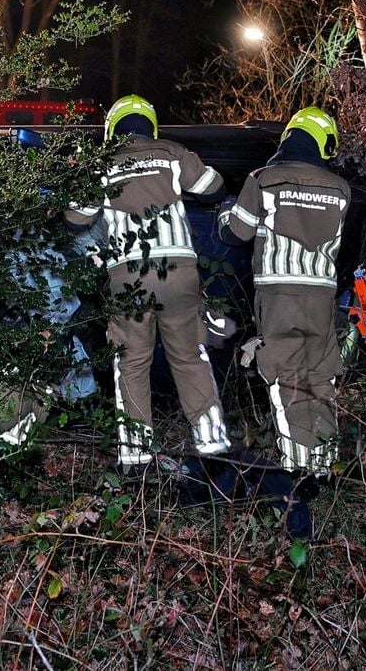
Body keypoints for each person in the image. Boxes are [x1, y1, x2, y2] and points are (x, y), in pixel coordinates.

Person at [65, 94, 232, 474]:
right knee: (191, 358)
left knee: (131, 363)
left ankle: (137, 457)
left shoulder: (101, 163)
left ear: (112, 128)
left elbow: (76, 219)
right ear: (150, 125)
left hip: (128, 277)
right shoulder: (173, 152)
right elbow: (214, 188)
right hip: (179, 274)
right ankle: (212, 446)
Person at [217, 107, 351, 475]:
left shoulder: (263, 179)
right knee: (320, 379)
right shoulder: (341, 189)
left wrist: (227, 209)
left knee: (286, 377)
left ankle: (298, 470)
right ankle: (324, 468)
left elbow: (235, 233)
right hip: (322, 298)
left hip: (279, 296)